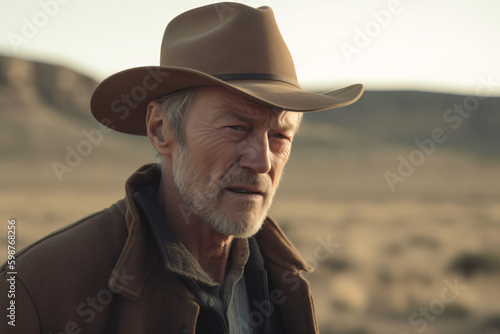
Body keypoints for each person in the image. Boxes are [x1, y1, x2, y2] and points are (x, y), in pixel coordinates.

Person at [1, 2, 363, 333]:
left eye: (280, 136)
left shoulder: (284, 280)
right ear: (161, 130)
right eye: (237, 128)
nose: (263, 160)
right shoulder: (34, 292)